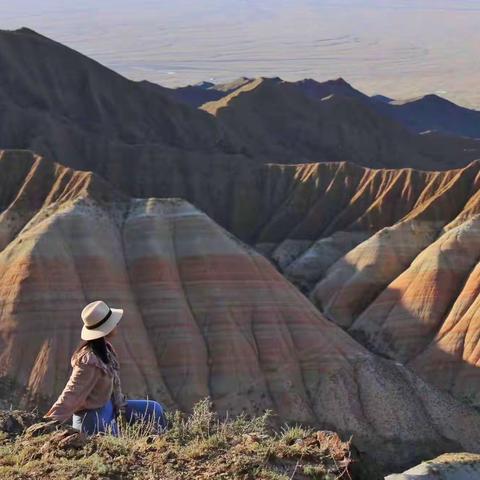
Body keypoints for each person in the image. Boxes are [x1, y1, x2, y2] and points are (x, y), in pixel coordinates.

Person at [44, 300, 166, 435]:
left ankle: (162, 443)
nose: (116, 325)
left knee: (154, 409)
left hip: (108, 408)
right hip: (92, 419)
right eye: (113, 323)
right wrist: (49, 423)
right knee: (118, 445)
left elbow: (114, 387)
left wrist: (121, 407)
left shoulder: (105, 349)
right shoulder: (88, 361)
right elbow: (71, 392)